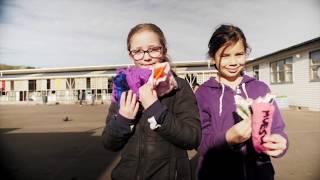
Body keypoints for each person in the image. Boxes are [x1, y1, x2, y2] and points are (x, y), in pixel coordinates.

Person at [102, 23, 201, 180]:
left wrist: (155, 109)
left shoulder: (178, 86)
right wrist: (122, 120)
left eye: (153, 49)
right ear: (131, 55)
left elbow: (192, 137)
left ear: (163, 51)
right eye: (138, 51)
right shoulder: (123, 87)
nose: (146, 57)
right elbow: (109, 142)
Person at [195, 24, 288, 180]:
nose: (233, 62)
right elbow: (201, 143)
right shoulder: (203, 93)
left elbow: (277, 128)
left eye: (239, 54)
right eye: (225, 55)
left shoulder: (260, 88)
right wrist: (228, 138)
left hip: (260, 173)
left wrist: (281, 142)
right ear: (213, 57)